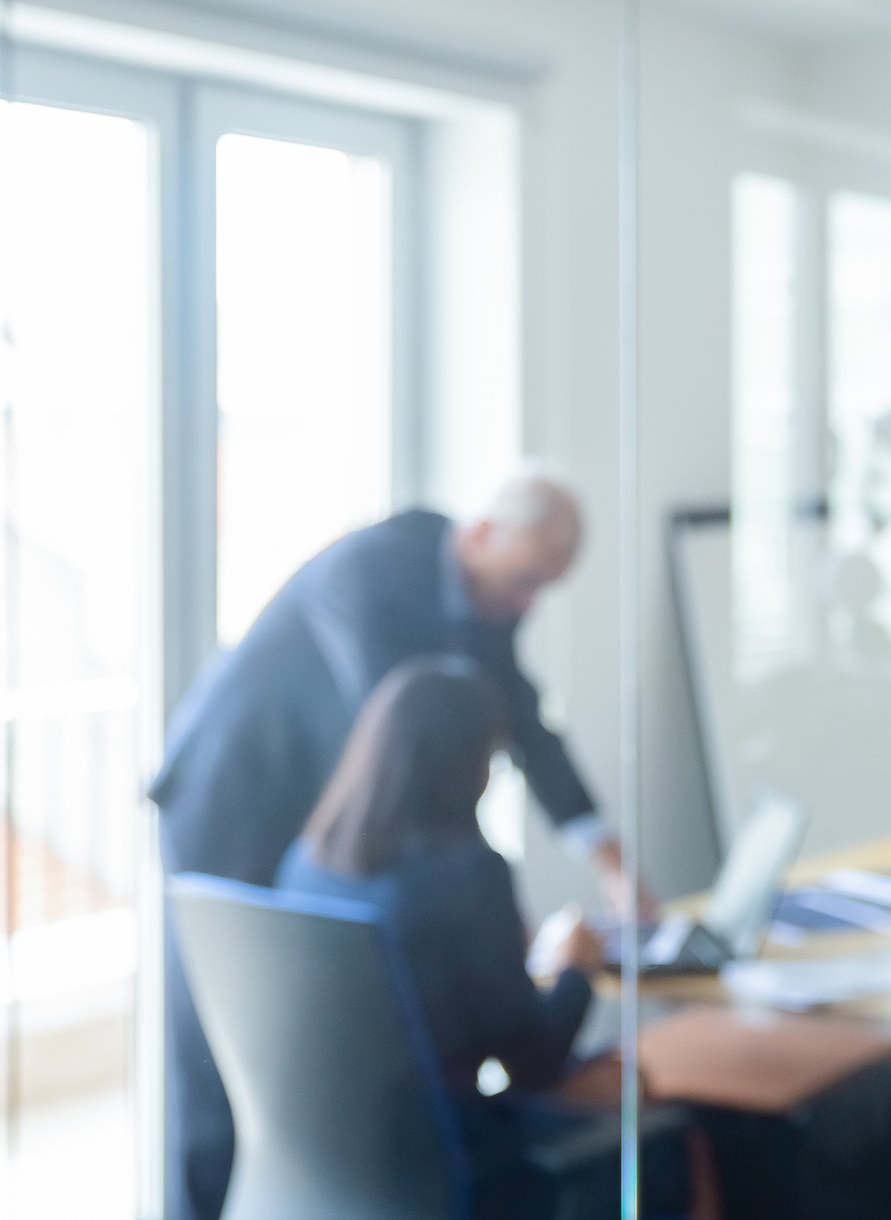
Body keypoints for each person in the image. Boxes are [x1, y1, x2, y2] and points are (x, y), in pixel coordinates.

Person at [151, 472, 646, 1220]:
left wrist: (608, 856)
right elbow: (408, 746)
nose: (526, 605)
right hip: (232, 805)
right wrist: (481, 889)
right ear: (481, 534)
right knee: (225, 1052)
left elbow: (525, 724)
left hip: (315, 829)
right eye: (523, 581)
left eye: (542, 589)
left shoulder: (488, 596)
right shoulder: (370, 572)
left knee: (307, 1047)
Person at [277, 658, 665, 1220]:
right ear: (469, 766)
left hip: (328, 1162)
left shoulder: (309, 861)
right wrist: (576, 969)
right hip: (448, 1159)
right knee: (653, 1107)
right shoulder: (468, 874)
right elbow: (533, 1062)